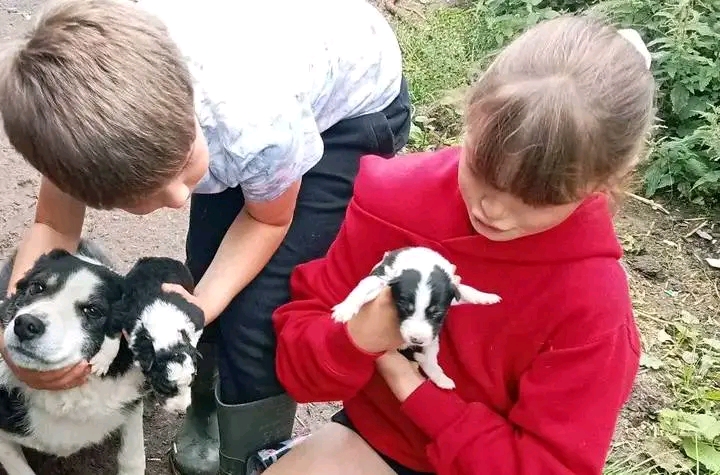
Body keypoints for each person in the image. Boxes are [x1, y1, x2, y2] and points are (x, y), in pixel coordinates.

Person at [0, 0, 411, 473]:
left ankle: (249, 454)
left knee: (263, 312)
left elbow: (268, 220)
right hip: (237, 117)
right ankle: (204, 401)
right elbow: (52, 225)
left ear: (188, 104)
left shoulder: (255, 122)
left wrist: (198, 309)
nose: (177, 198)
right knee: (206, 268)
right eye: (141, 198)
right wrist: (15, 334)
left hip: (350, 108)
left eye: (179, 168)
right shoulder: (71, 123)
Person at [269, 14, 655, 475]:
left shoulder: (592, 301)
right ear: (472, 118)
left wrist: (409, 384)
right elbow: (299, 360)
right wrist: (356, 336)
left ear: (604, 184)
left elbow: (547, 465)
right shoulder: (391, 200)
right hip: (381, 442)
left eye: (537, 199)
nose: (494, 210)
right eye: (481, 172)